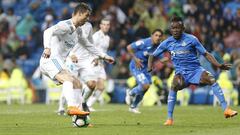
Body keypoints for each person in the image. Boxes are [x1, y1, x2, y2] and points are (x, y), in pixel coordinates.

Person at [148, 16, 238, 126]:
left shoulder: (192, 39)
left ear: (183, 28)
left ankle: (226, 109)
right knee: (174, 85)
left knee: (211, 79)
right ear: (170, 29)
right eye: (173, 28)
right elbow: (152, 55)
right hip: (181, 74)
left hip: (196, 71)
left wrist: (218, 65)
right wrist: (149, 66)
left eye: (178, 28)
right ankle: (169, 119)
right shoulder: (167, 43)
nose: (175, 30)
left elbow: (206, 54)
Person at [40, 3, 114, 117]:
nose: (87, 19)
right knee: (68, 80)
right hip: (50, 60)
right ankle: (71, 107)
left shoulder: (78, 31)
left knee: (77, 84)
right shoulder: (65, 25)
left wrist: (104, 56)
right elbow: (47, 31)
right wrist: (47, 48)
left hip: (59, 62)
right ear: (79, 14)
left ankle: (79, 117)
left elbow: (89, 46)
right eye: (86, 16)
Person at [125, 29, 163, 113]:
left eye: (160, 36)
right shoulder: (144, 42)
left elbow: (162, 59)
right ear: (152, 36)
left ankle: (133, 107)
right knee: (145, 85)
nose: (158, 37)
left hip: (145, 69)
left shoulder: (159, 47)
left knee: (146, 87)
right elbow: (129, 47)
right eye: (156, 35)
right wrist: (136, 59)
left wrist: (171, 57)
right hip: (136, 66)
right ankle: (130, 92)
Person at [86, 18, 111, 111]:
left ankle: (88, 105)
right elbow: (89, 48)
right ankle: (82, 103)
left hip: (100, 63)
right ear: (100, 26)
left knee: (101, 87)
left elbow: (103, 51)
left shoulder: (107, 38)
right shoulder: (96, 36)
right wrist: (95, 58)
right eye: (104, 24)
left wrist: (105, 60)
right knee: (90, 85)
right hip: (93, 62)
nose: (106, 26)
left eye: (107, 24)